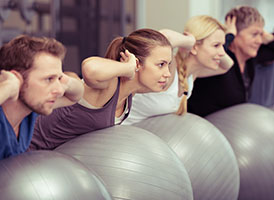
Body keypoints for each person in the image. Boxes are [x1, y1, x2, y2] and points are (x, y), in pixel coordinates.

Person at [29, 28, 172, 150]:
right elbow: (89, 68)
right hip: (28, 149)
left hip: (54, 159)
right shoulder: (110, 84)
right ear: (137, 63)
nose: (167, 73)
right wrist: (128, 68)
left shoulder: (130, 92)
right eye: (161, 64)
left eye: (168, 65)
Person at [123, 15, 233, 125]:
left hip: (141, 134)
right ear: (194, 47)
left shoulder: (192, 74)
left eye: (222, 46)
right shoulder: (169, 68)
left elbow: (227, 65)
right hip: (119, 131)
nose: (222, 52)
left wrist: (225, 37)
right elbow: (164, 38)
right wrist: (190, 41)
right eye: (216, 45)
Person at [0, 35, 84, 159]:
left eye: (58, 79)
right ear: (16, 78)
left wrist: (64, 81)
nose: (60, 91)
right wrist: (8, 86)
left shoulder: (29, 111)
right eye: (48, 79)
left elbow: (75, 96)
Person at [188, 6, 274, 117]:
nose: (259, 40)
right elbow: (212, 52)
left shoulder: (251, 58)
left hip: (232, 128)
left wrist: (269, 38)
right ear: (236, 34)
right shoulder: (218, 60)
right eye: (254, 34)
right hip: (203, 125)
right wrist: (229, 36)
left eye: (261, 35)